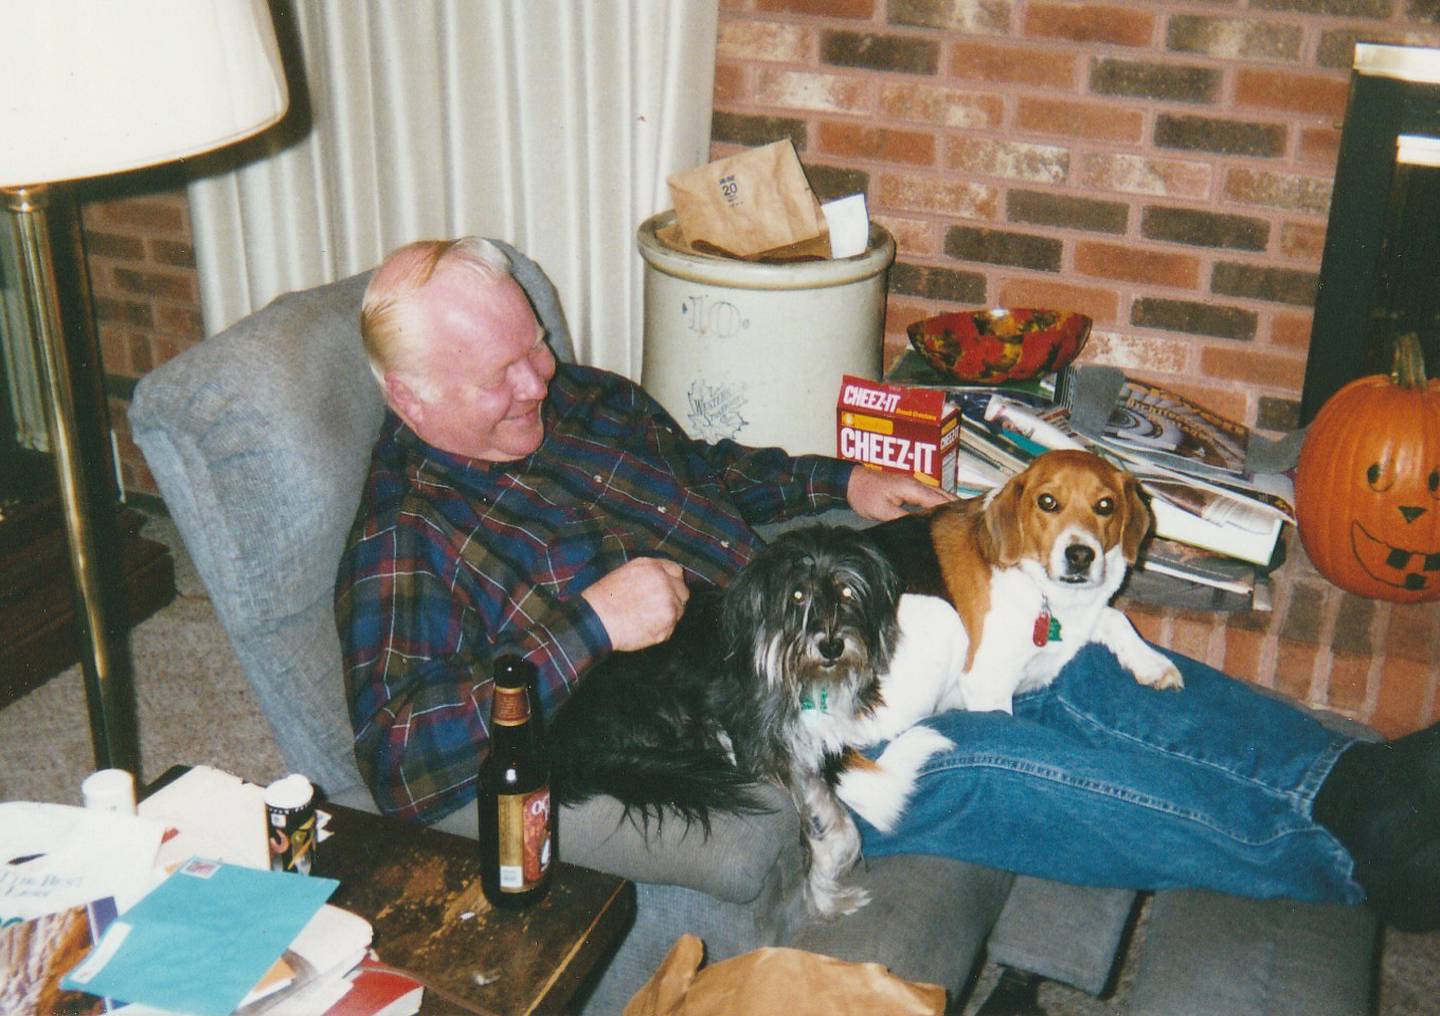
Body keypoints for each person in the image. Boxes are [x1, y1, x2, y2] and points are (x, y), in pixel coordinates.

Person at [335, 236, 1440, 932]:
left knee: (1067, 642)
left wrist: (842, 482)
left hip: (830, 603)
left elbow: (712, 469)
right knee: (1003, 750)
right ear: (411, 395)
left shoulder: (579, 398)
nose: (542, 376)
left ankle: (1354, 776)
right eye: (504, 375)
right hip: (749, 715)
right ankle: (1358, 855)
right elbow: (397, 755)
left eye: (536, 344)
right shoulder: (411, 533)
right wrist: (590, 624)